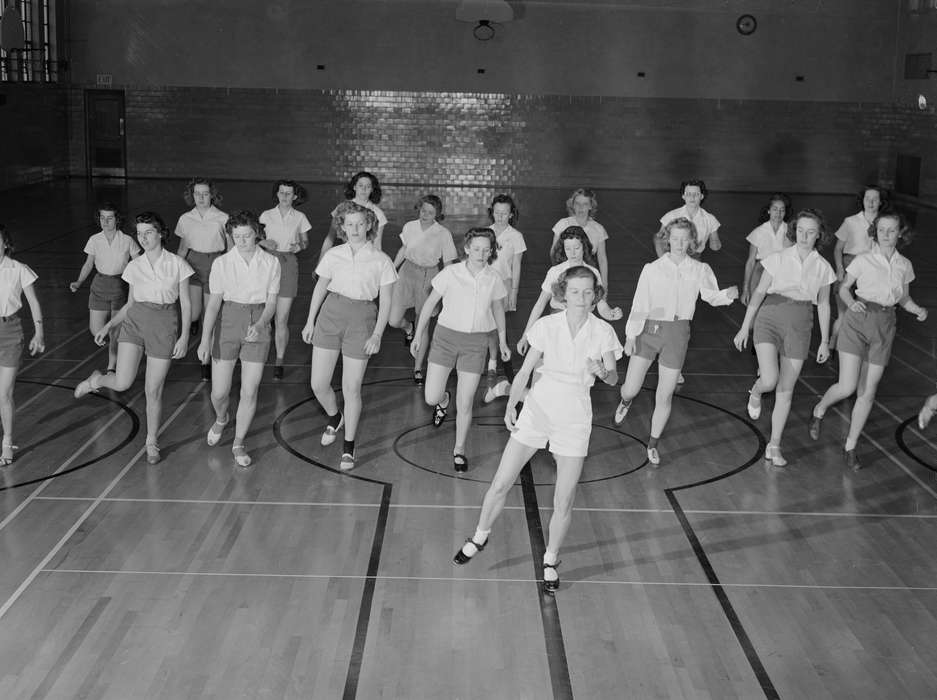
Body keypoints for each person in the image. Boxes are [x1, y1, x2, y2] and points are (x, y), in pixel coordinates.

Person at [452, 266, 621, 592]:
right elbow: (524, 372)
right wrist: (513, 404)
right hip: (538, 410)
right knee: (501, 483)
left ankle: (551, 559)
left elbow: (613, 378)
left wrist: (603, 371)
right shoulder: (546, 326)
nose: (582, 298)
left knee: (564, 499)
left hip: (574, 417)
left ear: (595, 295)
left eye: (588, 292)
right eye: (575, 292)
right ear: (563, 294)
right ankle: (480, 535)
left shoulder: (603, 333)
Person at [808, 212, 927, 470]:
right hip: (858, 322)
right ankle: (820, 408)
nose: (886, 234)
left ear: (900, 233)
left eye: (891, 230)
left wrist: (917, 309)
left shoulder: (904, 265)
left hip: (885, 325)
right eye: (882, 229)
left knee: (868, 391)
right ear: (875, 232)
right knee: (848, 386)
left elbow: (903, 298)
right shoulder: (863, 260)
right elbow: (842, 288)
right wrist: (851, 302)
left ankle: (850, 446)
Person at [614, 218, 737, 465]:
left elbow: (711, 296)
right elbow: (640, 304)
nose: (680, 243)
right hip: (649, 330)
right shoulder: (652, 268)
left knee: (665, 394)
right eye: (676, 238)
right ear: (667, 239)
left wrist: (726, 295)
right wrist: (630, 336)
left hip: (678, 333)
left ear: (692, 241)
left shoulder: (700, 269)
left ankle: (652, 443)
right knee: (631, 388)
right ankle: (626, 400)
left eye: (685, 239)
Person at [74, 212, 193, 465]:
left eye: (148, 232)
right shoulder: (134, 266)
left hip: (164, 326)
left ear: (160, 233)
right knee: (122, 383)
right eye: (140, 233)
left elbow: (186, 302)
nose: (144, 238)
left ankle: (151, 441)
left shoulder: (177, 264)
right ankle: (97, 379)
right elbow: (129, 305)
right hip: (135, 323)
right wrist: (108, 326)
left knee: (153, 390)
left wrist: (184, 336)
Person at [733, 209, 835, 468]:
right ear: (794, 231)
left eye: (810, 231)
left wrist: (824, 341)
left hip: (801, 323)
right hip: (770, 316)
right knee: (769, 379)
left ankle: (774, 445)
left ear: (819, 235)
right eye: (800, 230)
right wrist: (745, 327)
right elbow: (758, 293)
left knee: (786, 390)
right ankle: (756, 390)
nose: (804, 235)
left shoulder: (823, 267)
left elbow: (823, 305)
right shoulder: (777, 258)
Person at [301, 201, 396, 471]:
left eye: (360, 223)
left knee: (351, 388)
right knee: (318, 384)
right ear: (342, 227)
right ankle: (334, 415)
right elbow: (320, 288)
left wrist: (378, 333)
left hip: (362, 319)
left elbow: (387, 302)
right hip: (331, 314)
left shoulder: (381, 260)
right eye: (349, 224)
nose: (355, 229)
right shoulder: (334, 255)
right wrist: (310, 321)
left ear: (369, 226)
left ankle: (349, 446)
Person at [410, 228, 510, 472]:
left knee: (466, 403)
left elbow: (498, 311)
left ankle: (459, 450)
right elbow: (430, 303)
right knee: (431, 397)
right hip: (445, 339)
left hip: (475, 344)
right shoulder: (451, 273)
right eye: (476, 248)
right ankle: (444, 399)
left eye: (486, 249)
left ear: (492, 251)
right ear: (466, 248)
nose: (481, 253)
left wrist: (503, 341)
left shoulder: (493, 278)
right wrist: (419, 334)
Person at [198, 211, 281, 467]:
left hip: (258, 321)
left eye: (246, 235)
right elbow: (212, 306)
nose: (242, 240)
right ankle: (222, 418)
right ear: (230, 236)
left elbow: (272, 303)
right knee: (219, 392)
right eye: (236, 236)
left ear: (256, 233)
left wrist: (260, 324)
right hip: (228, 320)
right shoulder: (222, 263)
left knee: (249, 389)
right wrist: (204, 339)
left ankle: (239, 442)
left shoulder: (271, 263)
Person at [386, 194, 457, 385]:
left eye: (431, 212)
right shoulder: (409, 227)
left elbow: (449, 263)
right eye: (423, 210)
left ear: (438, 214)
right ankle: (408, 328)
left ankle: (417, 368)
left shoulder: (443, 233)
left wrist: (449, 288)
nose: (426, 214)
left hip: (429, 276)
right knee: (393, 320)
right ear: (419, 208)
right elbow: (403, 249)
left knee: (423, 324)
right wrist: (392, 269)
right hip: (407, 271)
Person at [69, 203, 141, 373]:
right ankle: (118, 346)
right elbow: (88, 264)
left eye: (110, 218)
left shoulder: (127, 240)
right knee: (96, 330)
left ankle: (111, 367)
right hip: (99, 286)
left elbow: (138, 262)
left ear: (117, 220)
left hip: (120, 286)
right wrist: (78, 282)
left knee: (114, 333)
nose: (105, 221)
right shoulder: (95, 240)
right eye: (102, 218)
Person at [174, 177, 229, 380]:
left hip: (215, 263)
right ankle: (194, 322)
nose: (201, 197)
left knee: (210, 314)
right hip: (192, 264)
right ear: (192, 195)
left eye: (205, 193)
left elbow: (230, 248)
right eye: (197, 194)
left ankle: (205, 361)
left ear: (212, 195)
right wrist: (174, 273)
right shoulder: (185, 218)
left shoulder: (222, 218)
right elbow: (182, 248)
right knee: (193, 311)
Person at [0, 224, 44, 465]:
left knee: (4, 394)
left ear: (6, 243)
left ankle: (7, 441)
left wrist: (39, 333)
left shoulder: (18, 269)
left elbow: (34, 303)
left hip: (10, 333)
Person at [259, 180, 312, 380]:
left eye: (289, 193)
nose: (284, 196)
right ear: (277, 194)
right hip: (266, 263)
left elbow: (305, 242)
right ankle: (259, 355)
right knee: (263, 316)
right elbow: (254, 237)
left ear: (295, 196)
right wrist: (264, 241)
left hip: (288, 265)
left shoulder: (300, 217)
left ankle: (279, 360)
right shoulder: (266, 215)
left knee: (281, 319)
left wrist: (299, 247)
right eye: (281, 193)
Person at [831, 186, 887, 347]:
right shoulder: (850, 221)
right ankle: (832, 344)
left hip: (872, 271)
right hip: (850, 266)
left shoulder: (885, 223)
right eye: (867, 198)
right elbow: (838, 249)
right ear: (862, 201)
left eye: (875, 199)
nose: (870, 202)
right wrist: (840, 268)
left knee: (867, 313)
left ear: (880, 202)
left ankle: (859, 346)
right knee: (844, 314)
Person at [485, 194, 526, 379]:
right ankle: (493, 356)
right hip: (486, 282)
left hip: (504, 284)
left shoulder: (516, 236)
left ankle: (494, 360)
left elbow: (517, 265)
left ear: (511, 215)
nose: (500, 216)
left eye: (504, 213)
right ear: (492, 212)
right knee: (488, 323)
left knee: (496, 323)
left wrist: (514, 292)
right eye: (497, 212)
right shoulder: (485, 233)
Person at [551, 188, 609, 290]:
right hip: (564, 278)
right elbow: (554, 253)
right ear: (572, 205)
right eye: (577, 203)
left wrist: (604, 286)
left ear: (591, 206)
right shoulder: (562, 224)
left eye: (585, 204)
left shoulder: (599, 229)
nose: (580, 207)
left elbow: (602, 260)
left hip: (587, 280)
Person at [320, 171, 388, 257]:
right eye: (360, 185)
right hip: (344, 257)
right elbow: (330, 238)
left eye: (368, 186)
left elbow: (377, 245)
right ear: (354, 187)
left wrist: (377, 266)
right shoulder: (341, 208)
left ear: (372, 189)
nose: (364, 189)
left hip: (366, 258)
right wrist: (320, 264)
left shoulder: (378, 214)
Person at [741, 194, 791, 305]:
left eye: (782, 210)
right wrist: (745, 289)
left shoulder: (791, 232)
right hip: (760, 273)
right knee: (755, 309)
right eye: (775, 209)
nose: (778, 213)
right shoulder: (758, 232)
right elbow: (750, 262)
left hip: (782, 275)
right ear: (768, 211)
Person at [654, 180, 721, 258]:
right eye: (688, 194)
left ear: (701, 196)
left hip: (694, 258)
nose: (692, 197)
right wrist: (665, 260)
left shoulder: (710, 219)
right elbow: (659, 240)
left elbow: (715, 246)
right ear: (683, 196)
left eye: (696, 194)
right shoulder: (671, 215)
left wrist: (715, 243)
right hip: (673, 256)